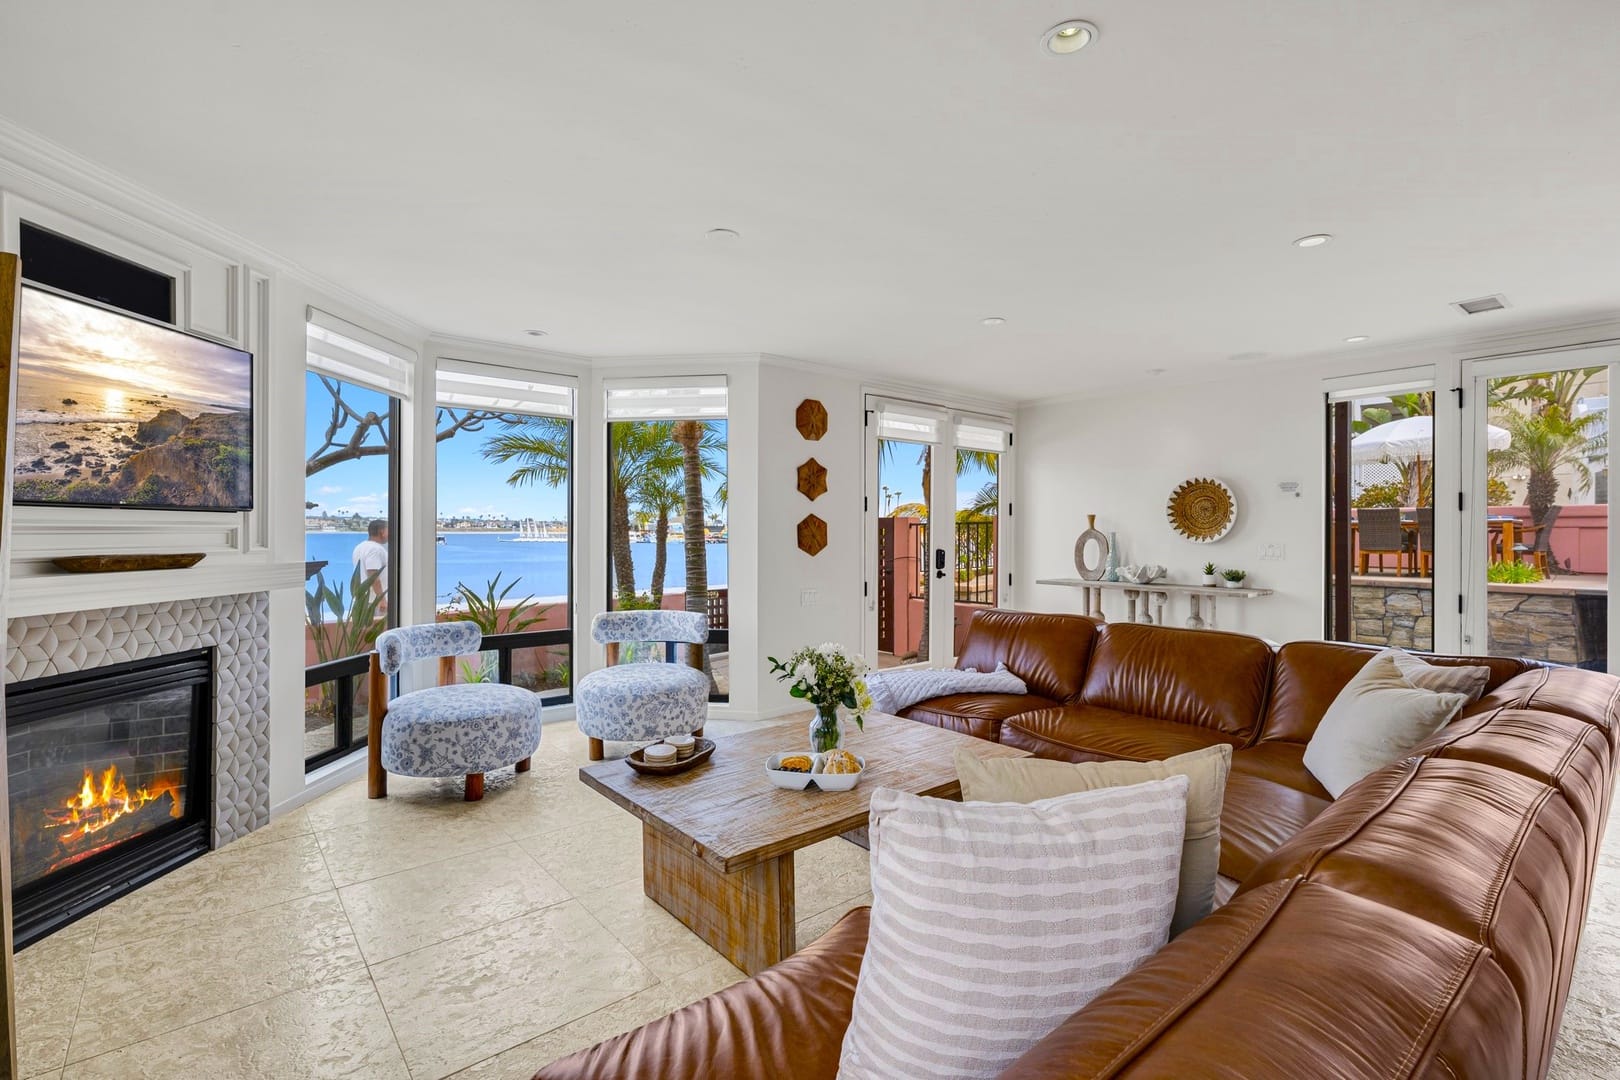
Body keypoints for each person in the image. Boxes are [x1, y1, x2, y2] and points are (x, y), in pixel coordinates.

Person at [352, 519, 389, 612]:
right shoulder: (375, 549)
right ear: (382, 531)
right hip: (374, 603)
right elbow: (373, 575)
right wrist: (382, 599)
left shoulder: (360, 547)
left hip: (363, 600)